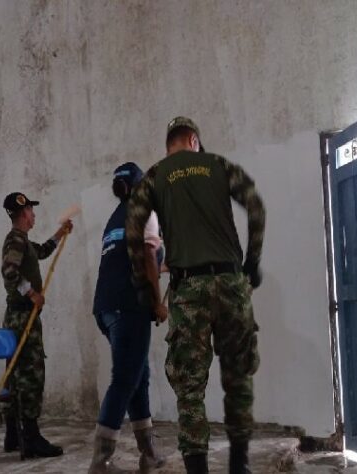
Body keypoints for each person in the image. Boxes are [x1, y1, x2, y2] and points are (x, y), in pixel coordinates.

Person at [126, 117, 266, 474]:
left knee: (190, 388)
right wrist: (252, 262)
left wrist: (145, 288)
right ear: (193, 140)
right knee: (238, 378)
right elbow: (255, 206)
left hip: (189, 291)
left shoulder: (156, 176)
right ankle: (240, 464)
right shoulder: (217, 165)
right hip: (232, 284)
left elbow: (133, 231)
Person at [88, 163, 166, 473]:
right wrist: (158, 303)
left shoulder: (115, 217)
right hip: (129, 306)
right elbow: (147, 256)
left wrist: (164, 261)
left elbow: (134, 257)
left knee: (137, 377)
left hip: (106, 308)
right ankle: (100, 462)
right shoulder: (144, 211)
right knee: (124, 379)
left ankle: (148, 453)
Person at [1, 192, 73, 458]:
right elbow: (9, 271)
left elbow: (41, 252)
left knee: (16, 377)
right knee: (30, 376)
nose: (34, 215)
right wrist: (32, 294)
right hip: (23, 317)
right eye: (31, 210)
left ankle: (13, 435)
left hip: (18, 317)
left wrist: (59, 234)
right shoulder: (16, 240)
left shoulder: (23, 241)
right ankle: (29, 437)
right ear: (23, 213)